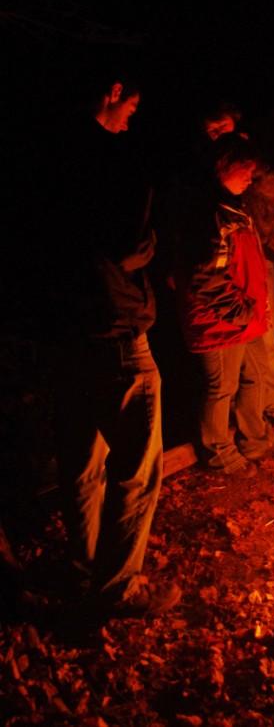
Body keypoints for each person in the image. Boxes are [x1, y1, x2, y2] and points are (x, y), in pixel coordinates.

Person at [50, 75, 181, 618]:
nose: (132, 117)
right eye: (131, 105)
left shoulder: (47, 151)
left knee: (82, 464)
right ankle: (116, 589)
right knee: (134, 469)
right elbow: (128, 246)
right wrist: (152, 242)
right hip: (117, 333)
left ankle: (85, 565)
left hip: (64, 333)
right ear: (112, 91)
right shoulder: (112, 164)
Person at [174, 134, 274, 475]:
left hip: (241, 316)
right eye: (245, 171)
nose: (251, 178)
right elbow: (205, 277)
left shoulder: (231, 206)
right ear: (224, 168)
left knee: (254, 377)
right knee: (221, 388)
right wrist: (239, 311)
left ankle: (255, 439)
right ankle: (219, 453)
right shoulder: (208, 214)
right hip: (219, 320)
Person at [202, 104, 274, 430]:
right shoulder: (206, 164)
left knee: (263, 332)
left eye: (222, 127)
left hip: (260, 256)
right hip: (223, 261)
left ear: (237, 124)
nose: (217, 135)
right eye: (211, 130)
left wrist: (249, 165)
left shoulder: (256, 159)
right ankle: (241, 417)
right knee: (231, 338)